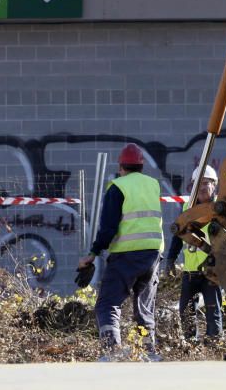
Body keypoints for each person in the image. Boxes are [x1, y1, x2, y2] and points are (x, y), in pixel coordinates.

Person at [77, 143, 163, 360]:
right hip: (153, 254)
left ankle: (111, 350)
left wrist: (94, 252)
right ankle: (149, 352)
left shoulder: (118, 186)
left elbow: (108, 227)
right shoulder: (153, 184)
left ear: (121, 166)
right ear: (141, 165)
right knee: (144, 305)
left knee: (108, 303)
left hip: (126, 254)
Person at [164, 164, 223, 340]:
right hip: (191, 271)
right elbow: (177, 235)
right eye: (199, 183)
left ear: (214, 185)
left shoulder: (221, 208)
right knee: (186, 310)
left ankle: (214, 345)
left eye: (206, 183)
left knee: (214, 310)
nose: (202, 187)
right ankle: (191, 345)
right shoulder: (187, 208)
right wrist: (171, 258)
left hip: (212, 270)